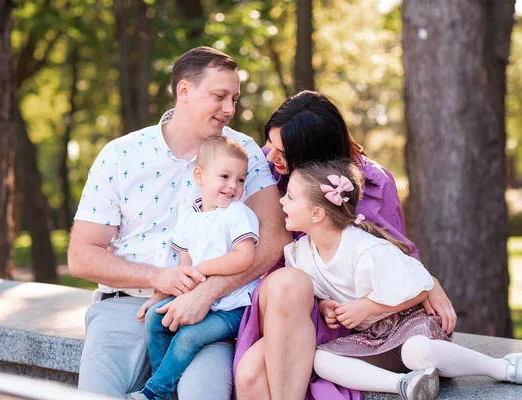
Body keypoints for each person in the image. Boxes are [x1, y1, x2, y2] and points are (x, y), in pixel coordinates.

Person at [68, 46, 289, 398]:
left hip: (209, 310)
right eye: (220, 96)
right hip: (126, 306)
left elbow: (275, 238)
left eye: (234, 98)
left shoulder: (243, 152)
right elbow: (81, 256)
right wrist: (159, 277)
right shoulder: (121, 154)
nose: (230, 109)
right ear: (184, 91)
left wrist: (205, 293)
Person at [234, 91, 457, 399]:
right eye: (270, 143)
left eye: (281, 151)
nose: (269, 155)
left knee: (251, 374)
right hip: (286, 304)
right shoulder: (266, 172)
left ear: (314, 155)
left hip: (345, 311)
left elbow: (392, 251)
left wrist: (425, 281)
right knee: (289, 286)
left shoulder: (375, 182)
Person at [282, 159, 522, 400]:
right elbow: (317, 292)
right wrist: (324, 306)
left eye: (290, 197)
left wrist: (368, 307)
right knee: (320, 359)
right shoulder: (300, 254)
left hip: (408, 325)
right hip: (372, 338)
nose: (282, 201)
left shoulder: (366, 249)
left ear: (317, 214)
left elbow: (421, 288)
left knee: (417, 352)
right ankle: (404, 384)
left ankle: (503, 368)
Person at [127, 137, 260, 400]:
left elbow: (245, 257)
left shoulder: (237, 214)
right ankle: (165, 385)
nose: (233, 185)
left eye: (241, 179)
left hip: (233, 308)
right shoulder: (188, 218)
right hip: (203, 302)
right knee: (156, 317)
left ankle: (156, 391)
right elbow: (184, 269)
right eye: (225, 176)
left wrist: (204, 268)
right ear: (199, 175)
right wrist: (161, 296)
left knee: (189, 336)